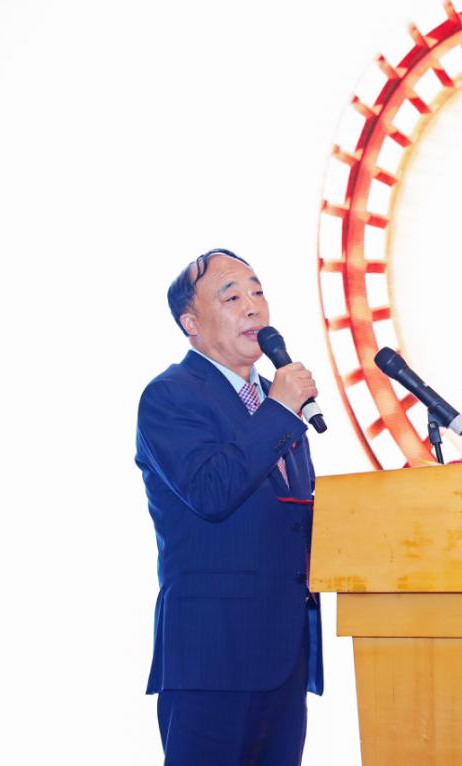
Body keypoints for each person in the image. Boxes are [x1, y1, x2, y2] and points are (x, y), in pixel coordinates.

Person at [135, 248, 323, 765]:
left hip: (284, 656)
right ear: (191, 323)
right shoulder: (170, 396)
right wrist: (280, 410)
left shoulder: (274, 400)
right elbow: (211, 491)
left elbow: (290, 514)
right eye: (232, 296)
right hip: (212, 658)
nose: (253, 306)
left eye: (258, 291)